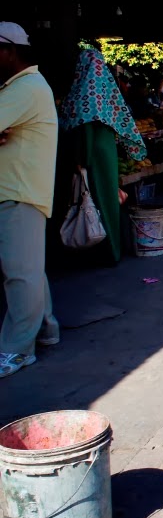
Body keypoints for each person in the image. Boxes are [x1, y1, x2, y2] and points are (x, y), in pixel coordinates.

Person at [0, 22, 60, 378]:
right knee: (29, 271)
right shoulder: (22, 88)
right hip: (20, 191)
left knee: (19, 275)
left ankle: (17, 350)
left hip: (18, 192)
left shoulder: (26, 87)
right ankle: (45, 329)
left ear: (8, 50)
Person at [58, 48, 148, 265]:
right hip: (106, 157)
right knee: (107, 204)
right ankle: (113, 250)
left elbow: (83, 132)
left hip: (91, 160)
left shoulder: (82, 95)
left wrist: (81, 161)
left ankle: (99, 251)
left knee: (89, 204)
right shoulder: (105, 92)